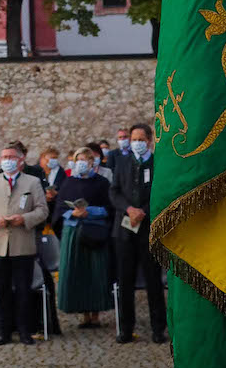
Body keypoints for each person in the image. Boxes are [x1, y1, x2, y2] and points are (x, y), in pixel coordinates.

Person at [0, 143, 49, 345]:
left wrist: (25, 219)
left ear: (20, 160)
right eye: (3, 157)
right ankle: (3, 330)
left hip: (22, 243)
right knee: (2, 289)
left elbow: (43, 210)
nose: (6, 160)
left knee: (24, 290)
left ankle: (25, 330)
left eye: (10, 156)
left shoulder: (32, 182)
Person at [111, 123, 166, 344]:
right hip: (124, 230)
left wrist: (144, 211)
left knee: (153, 281)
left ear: (149, 141)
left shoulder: (157, 163)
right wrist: (129, 209)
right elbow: (114, 191)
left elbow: (162, 191)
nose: (136, 143)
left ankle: (158, 328)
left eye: (141, 139)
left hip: (148, 229)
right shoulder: (122, 163)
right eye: (134, 139)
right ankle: (126, 328)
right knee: (125, 281)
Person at [53, 146, 112, 327]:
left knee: (96, 274)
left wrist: (90, 212)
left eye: (86, 159)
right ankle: (83, 313)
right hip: (74, 233)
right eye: (79, 159)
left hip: (95, 232)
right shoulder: (68, 183)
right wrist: (73, 214)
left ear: (92, 162)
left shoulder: (102, 183)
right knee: (77, 273)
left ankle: (95, 314)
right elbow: (59, 209)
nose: (82, 163)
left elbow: (110, 208)